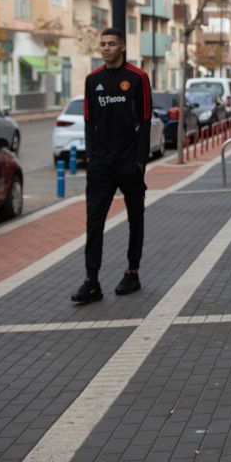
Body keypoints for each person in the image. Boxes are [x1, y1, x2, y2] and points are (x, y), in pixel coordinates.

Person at [73, 28, 153, 304]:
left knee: (135, 219)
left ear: (122, 47)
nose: (105, 48)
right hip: (101, 167)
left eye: (111, 44)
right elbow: (88, 121)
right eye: (103, 44)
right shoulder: (92, 80)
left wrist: (140, 162)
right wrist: (91, 158)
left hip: (129, 163)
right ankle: (91, 281)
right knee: (94, 223)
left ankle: (132, 272)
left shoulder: (138, 78)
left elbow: (145, 121)